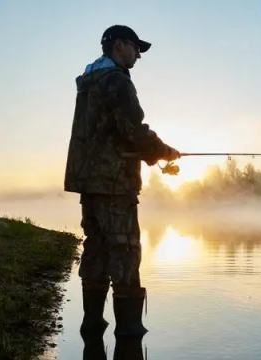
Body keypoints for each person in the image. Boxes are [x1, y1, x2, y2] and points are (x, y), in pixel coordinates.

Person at [64, 25, 179, 338]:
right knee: (125, 250)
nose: (139, 55)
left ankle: (92, 324)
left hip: (89, 180)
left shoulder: (88, 82)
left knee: (96, 248)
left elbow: (108, 132)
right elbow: (132, 131)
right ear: (118, 45)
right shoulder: (116, 80)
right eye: (135, 47)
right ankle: (129, 333)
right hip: (114, 182)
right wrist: (165, 151)